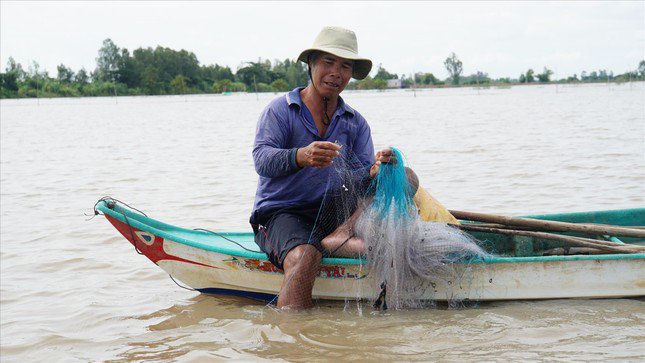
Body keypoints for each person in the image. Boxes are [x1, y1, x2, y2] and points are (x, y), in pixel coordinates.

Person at [250, 26, 396, 309]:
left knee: (402, 175)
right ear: (311, 64)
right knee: (305, 255)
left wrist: (374, 170)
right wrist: (300, 156)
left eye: (345, 66)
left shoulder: (355, 121)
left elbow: (359, 179)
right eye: (328, 62)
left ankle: (341, 235)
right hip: (283, 211)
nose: (336, 73)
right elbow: (262, 160)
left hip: (333, 212)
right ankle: (294, 341)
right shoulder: (281, 110)